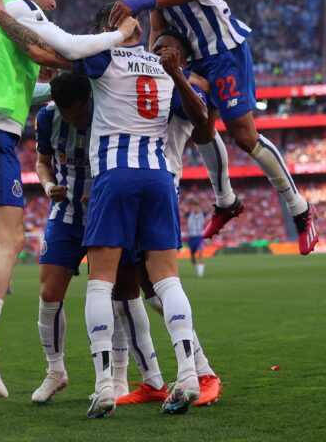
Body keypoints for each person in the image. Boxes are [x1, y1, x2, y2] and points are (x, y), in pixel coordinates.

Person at [0, 0, 140, 398]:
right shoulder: (17, 6)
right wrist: (120, 38)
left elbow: (34, 88)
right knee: (10, 241)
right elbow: (65, 43)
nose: (53, 4)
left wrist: (65, 78)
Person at [111, 0, 316, 251]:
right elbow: (158, 26)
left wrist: (139, 3)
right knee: (200, 127)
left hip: (225, 51)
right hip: (194, 60)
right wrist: (150, 64)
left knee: (244, 136)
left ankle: (299, 208)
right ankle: (225, 201)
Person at [74, 3, 204, 418]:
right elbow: (201, 121)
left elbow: (62, 54)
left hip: (115, 174)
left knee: (100, 283)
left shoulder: (104, 55)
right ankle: (187, 375)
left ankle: (104, 387)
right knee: (167, 280)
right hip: (159, 176)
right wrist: (178, 72)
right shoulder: (162, 65)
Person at [110, 28, 222, 409]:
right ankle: (154, 380)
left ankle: (201, 371)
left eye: (167, 49)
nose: (158, 52)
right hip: (131, 183)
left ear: (184, 59)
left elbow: (204, 122)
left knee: (161, 285)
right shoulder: (146, 75)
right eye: (155, 47)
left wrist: (177, 73)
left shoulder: (185, 84)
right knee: (138, 288)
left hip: (160, 185)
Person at [29, 73, 94, 404]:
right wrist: (47, 186)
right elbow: (42, 163)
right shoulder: (46, 117)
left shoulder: (106, 110)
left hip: (103, 214)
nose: (74, 119)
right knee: (48, 292)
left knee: (116, 294)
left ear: (87, 100)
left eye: (78, 114)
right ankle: (56, 372)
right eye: (67, 114)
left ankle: (116, 376)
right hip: (65, 215)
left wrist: (99, 189)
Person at [186, 203, 207, 276]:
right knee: (192, 256)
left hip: (199, 237)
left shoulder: (203, 214)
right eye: (194, 207)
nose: (195, 209)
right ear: (192, 207)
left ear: (199, 207)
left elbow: (210, 208)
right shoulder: (188, 214)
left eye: (197, 207)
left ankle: (200, 274)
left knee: (200, 253)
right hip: (191, 237)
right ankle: (195, 267)